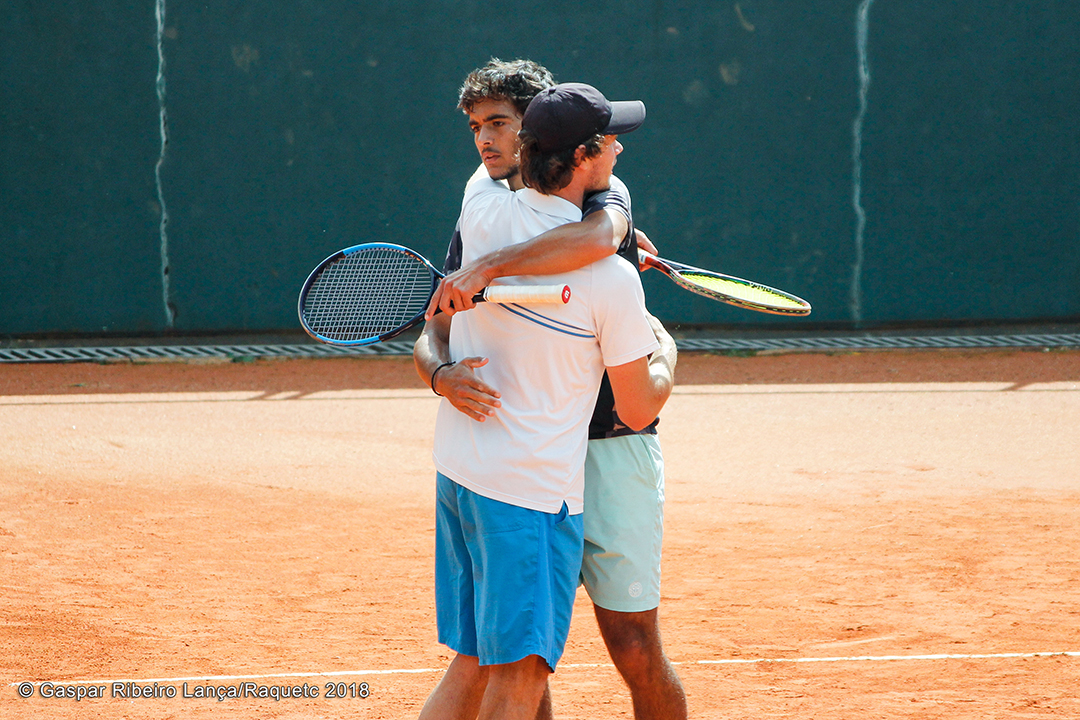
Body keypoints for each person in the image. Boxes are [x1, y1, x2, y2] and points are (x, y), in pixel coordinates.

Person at [414, 60, 686, 720]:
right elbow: (437, 325)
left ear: (533, 135)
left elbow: (599, 231)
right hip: (537, 476)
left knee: (619, 645)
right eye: (478, 127)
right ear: (585, 153)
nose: (486, 142)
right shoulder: (486, 206)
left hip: (567, 456)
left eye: (500, 125)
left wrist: (497, 264)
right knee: (522, 673)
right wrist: (666, 347)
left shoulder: (518, 217)